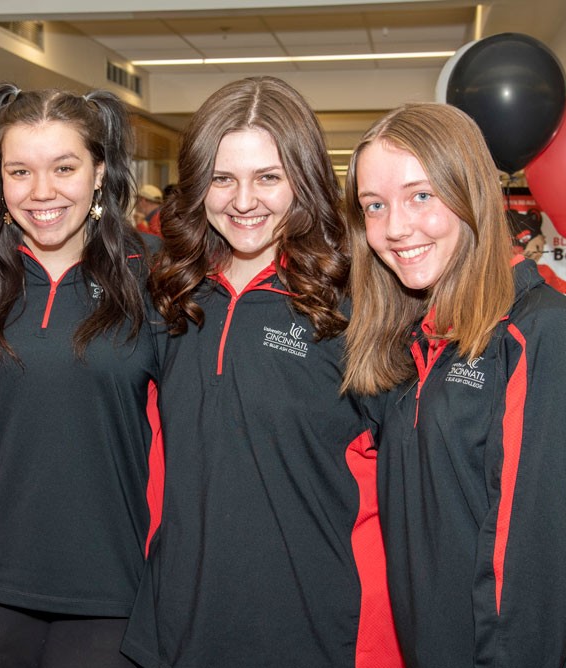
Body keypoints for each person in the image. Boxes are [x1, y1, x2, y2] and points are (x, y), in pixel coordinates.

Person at [121, 76, 401, 668]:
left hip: (312, 631)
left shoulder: (358, 303)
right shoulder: (174, 296)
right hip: (179, 627)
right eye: (223, 178)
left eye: (268, 178)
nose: (243, 201)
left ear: (303, 180)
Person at [341, 103, 566, 667]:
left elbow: (541, 573)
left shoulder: (544, 337)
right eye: (374, 206)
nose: (395, 228)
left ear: (470, 190)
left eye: (421, 195)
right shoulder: (412, 339)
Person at [0, 83, 162, 668]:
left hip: (112, 591)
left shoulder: (156, 276)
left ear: (99, 172)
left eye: (64, 167)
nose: (42, 192)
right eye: (20, 171)